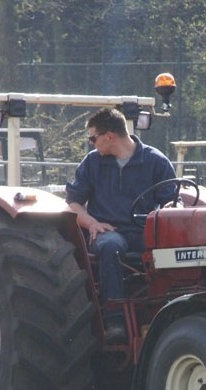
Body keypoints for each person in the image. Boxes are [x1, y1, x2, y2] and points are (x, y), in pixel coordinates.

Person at [66, 108, 177, 344]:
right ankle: (114, 320)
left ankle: (169, 313)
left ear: (109, 136)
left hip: (144, 231)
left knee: (173, 250)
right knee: (111, 246)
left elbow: (172, 203)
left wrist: (163, 215)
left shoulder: (155, 161)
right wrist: (92, 223)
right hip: (108, 231)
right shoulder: (92, 163)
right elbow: (73, 203)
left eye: (92, 138)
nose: (91, 143)